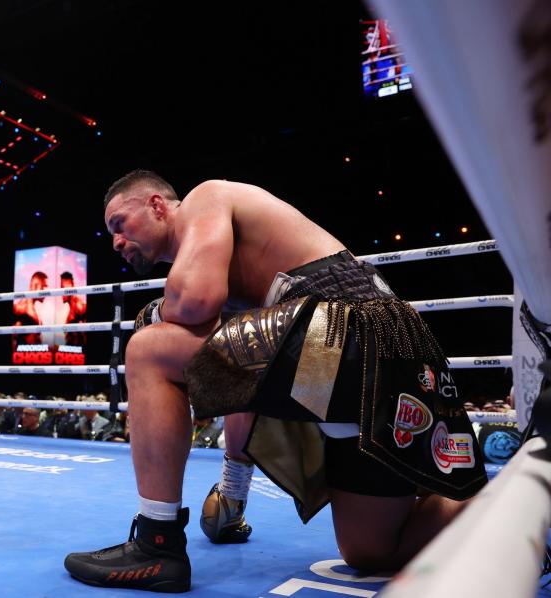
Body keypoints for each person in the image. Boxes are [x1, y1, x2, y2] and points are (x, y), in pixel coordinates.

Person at [63, 170, 486, 592]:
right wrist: (233, 493)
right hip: (377, 360)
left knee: (149, 348)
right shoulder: (234, 279)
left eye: (120, 224)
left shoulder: (205, 198)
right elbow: (241, 382)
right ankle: (508, 508)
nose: (117, 241)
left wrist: (153, 316)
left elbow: (192, 302)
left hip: (347, 330)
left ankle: (157, 543)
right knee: (370, 550)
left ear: (158, 204)